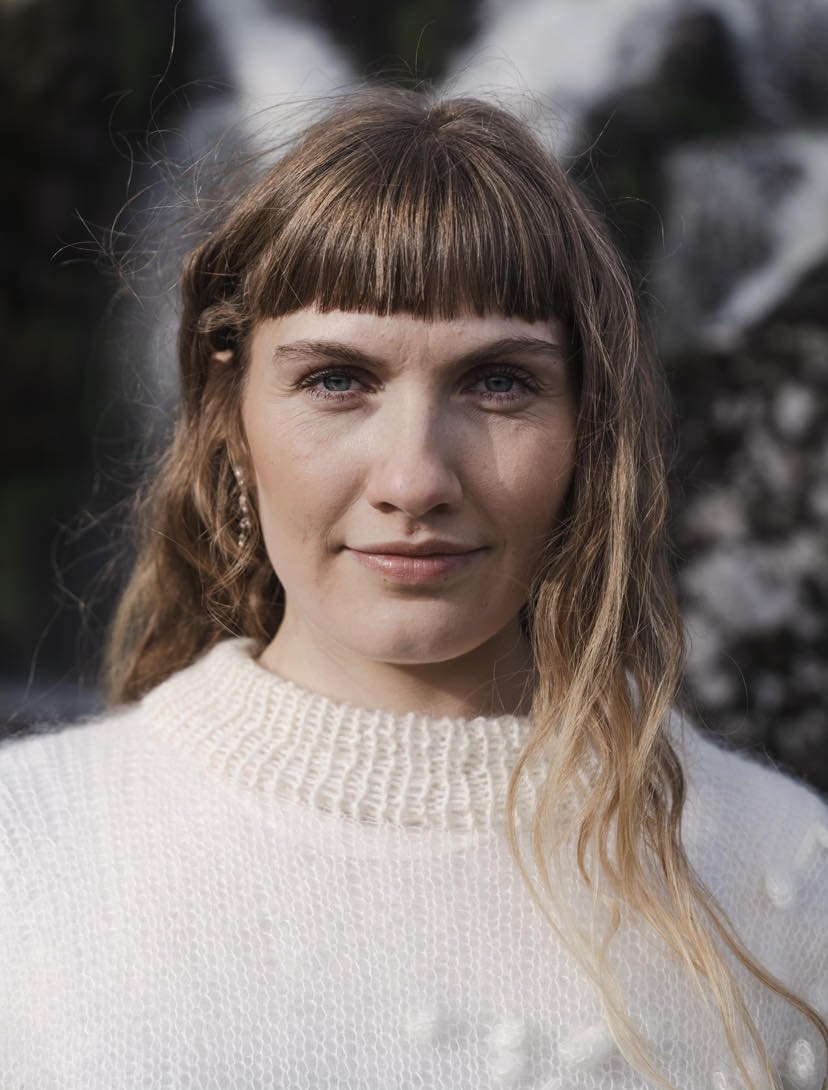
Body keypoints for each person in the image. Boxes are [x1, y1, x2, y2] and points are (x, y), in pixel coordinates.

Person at [0, 88, 825, 1090]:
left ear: (590, 433)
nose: (415, 480)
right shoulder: (27, 852)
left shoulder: (784, 874)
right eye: (337, 380)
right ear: (227, 418)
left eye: (499, 382)